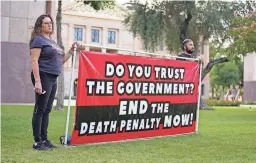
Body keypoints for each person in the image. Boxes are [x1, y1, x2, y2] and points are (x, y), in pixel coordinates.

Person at [29, 14, 84, 150]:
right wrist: (37, 81)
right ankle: (37, 142)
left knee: (47, 110)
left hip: (53, 77)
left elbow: (60, 62)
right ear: (40, 26)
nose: (50, 25)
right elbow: (34, 61)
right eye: (46, 23)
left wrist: (71, 51)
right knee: (40, 109)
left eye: (51, 23)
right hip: (43, 76)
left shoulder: (53, 43)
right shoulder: (38, 40)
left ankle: (45, 139)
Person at [177, 39, 229, 109]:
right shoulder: (181, 56)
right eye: (190, 45)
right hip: (184, 82)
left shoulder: (193, 57)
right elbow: (184, 63)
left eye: (193, 45)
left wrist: (200, 62)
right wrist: (196, 60)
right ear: (185, 47)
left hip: (194, 80)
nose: (192, 46)